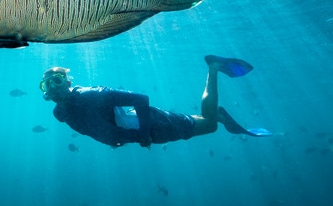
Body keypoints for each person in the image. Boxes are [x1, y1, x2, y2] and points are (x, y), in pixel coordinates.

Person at [40, 55, 272, 148]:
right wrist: (115, 139)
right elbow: (92, 127)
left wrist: (142, 136)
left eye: (57, 81)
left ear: (68, 82)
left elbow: (141, 99)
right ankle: (217, 114)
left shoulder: (92, 95)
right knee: (203, 122)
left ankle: (214, 68)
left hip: (153, 125)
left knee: (209, 125)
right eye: (47, 85)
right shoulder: (60, 114)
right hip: (146, 131)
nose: (53, 87)